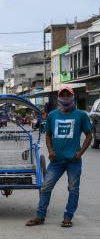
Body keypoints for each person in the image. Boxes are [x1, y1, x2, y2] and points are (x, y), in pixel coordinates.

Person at [26, 86, 92, 228]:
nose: (66, 97)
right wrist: (50, 151)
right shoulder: (52, 115)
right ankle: (40, 216)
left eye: (68, 95)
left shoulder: (81, 115)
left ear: (72, 97)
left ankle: (68, 217)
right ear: (59, 97)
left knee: (73, 189)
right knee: (45, 187)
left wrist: (80, 153)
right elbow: (48, 134)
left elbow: (89, 135)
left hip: (73, 161)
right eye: (63, 95)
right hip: (56, 161)